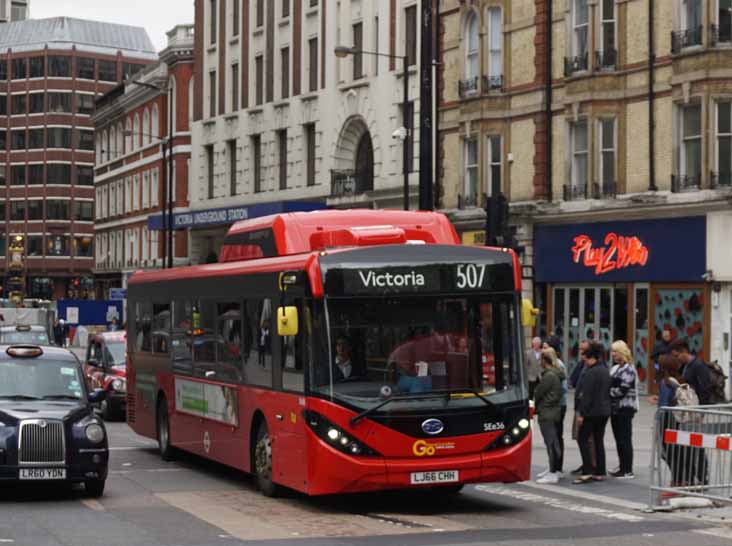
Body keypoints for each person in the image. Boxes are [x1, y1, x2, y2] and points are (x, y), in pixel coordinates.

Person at [573, 342, 611, 484]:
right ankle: (600, 471)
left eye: (585, 358)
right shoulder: (605, 370)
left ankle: (587, 471)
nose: (585, 361)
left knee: (583, 439)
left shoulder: (590, 372)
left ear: (590, 358)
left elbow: (586, 396)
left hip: (591, 412)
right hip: (604, 411)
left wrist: (581, 414)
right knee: (598, 440)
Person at [535, 348, 566, 484]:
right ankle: (553, 469)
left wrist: (539, 405)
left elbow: (539, 393)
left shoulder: (549, 376)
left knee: (551, 443)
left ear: (544, 360)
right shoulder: (555, 373)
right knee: (553, 441)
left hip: (547, 412)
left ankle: (553, 472)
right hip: (553, 411)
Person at [609, 340, 638, 479]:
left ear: (622, 352)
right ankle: (622, 466)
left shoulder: (629, 369)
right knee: (619, 439)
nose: (613, 354)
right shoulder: (617, 368)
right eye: (612, 351)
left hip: (625, 408)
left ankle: (628, 469)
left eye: (615, 351)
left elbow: (622, 390)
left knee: (625, 439)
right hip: (616, 408)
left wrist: (608, 392)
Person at [544, 339, 568, 475]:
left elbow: (562, 388)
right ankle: (553, 465)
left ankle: (557, 468)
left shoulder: (558, 366)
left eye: (545, 347)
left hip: (558, 406)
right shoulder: (552, 366)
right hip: (554, 405)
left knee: (556, 436)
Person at [670, 338, 713, 405]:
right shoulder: (684, 366)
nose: (676, 359)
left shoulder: (699, 366)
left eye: (676, 356)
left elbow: (705, 388)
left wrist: (699, 407)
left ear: (684, 351)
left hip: (696, 407)